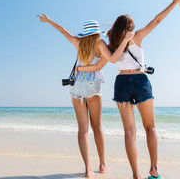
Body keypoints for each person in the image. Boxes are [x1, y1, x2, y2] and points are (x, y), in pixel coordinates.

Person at [76, 0, 180, 179]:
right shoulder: (137, 37)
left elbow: (105, 60)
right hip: (140, 80)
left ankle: (135, 174)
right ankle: (154, 170)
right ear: (130, 27)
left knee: (129, 132)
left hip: (122, 82)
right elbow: (157, 20)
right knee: (150, 128)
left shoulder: (111, 41)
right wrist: (174, 2)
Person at [38, 15, 130, 178]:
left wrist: (48, 20)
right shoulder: (99, 43)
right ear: (96, 33)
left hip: (76, 87)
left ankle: (87, 169)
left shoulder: (78, 43)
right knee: (97, 127)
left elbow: (62, 31)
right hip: (92, 86)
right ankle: (102, 165)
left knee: (82, 130)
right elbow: (106, 62)